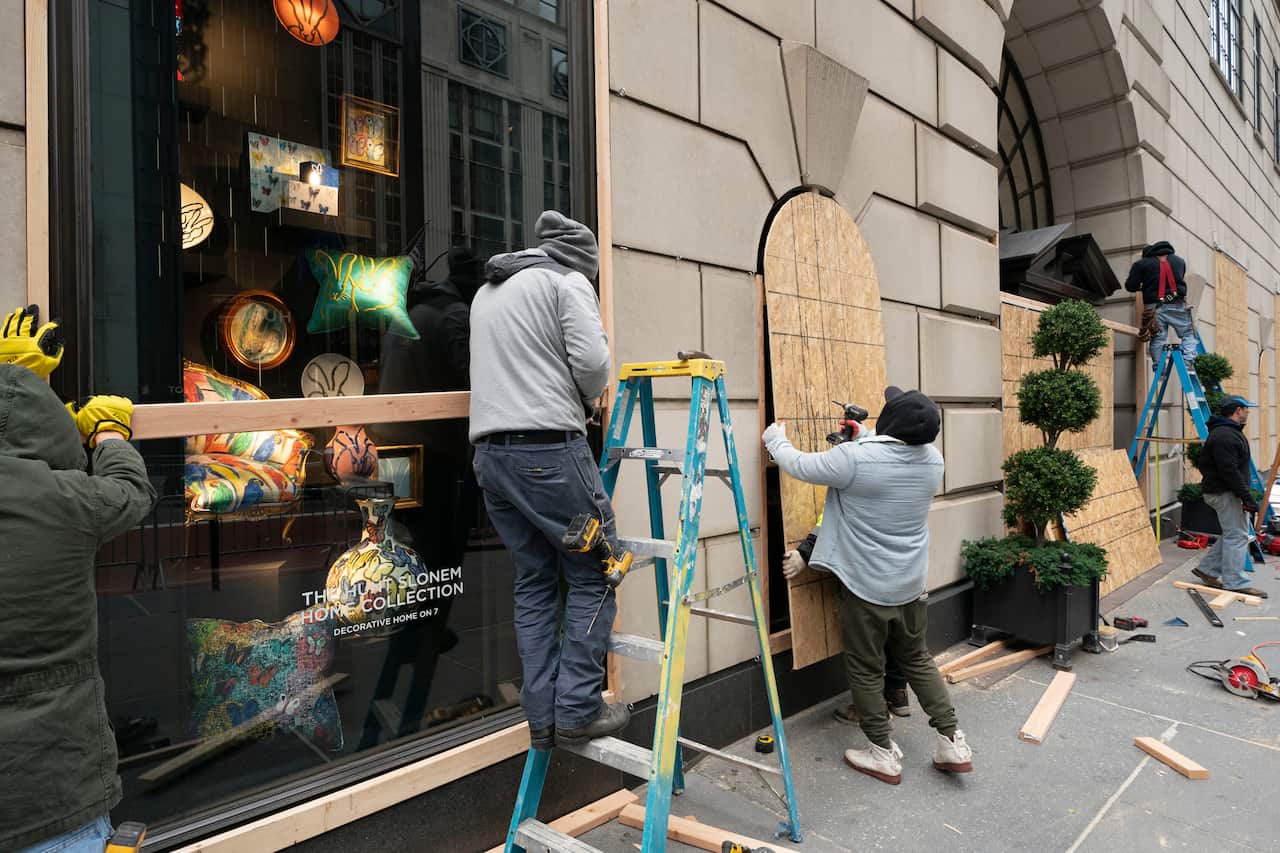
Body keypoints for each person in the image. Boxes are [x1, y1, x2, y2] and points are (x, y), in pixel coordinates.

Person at [0, 306, 156, 852]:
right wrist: (110, 435)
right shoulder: (67, 500)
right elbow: (132, 493)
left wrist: (17, 385)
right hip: (59, 793)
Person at [469, 211, 626, 750]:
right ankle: (578, 709)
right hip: (548, 454)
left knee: (535, 582)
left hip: (491, 459)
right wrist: (587, 399)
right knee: (598, 571)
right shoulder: (568, 280)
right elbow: (592, 365)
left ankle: (543, 721)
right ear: (584, 261)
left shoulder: (487, 293)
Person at [763, 386, 971, 785]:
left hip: (866, 587)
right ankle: (952, 741)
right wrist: (864, 437)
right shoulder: (932, 461)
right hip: (910, 584)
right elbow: (884, 457)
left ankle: (881, 753)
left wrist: (776, 439)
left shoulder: (853, 459)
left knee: (864, 667)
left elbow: (800, 464)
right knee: (917, 660)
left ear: (890, 423)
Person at [1193, 395, 1269, 598]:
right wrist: (1246, 497)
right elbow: (1229, 471)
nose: (1248, 412)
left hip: (1223, 491)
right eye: (1246, 409)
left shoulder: (1227, 433)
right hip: (1224, 493)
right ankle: (1235, 582)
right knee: (1237, 536)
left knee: (1232, 534)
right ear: (1237, 410)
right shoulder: (1225, 436)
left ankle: (1207, 569)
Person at [1124, 241, 1198, 373]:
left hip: (1154, 307)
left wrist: (1144, 284)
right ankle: (1188, 362)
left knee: (1158, 337)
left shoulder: (1142, 264)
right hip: (1177, 304)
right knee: (1188, 333)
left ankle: (1159, 367)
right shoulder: (1180, 261)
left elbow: (1131, 286)